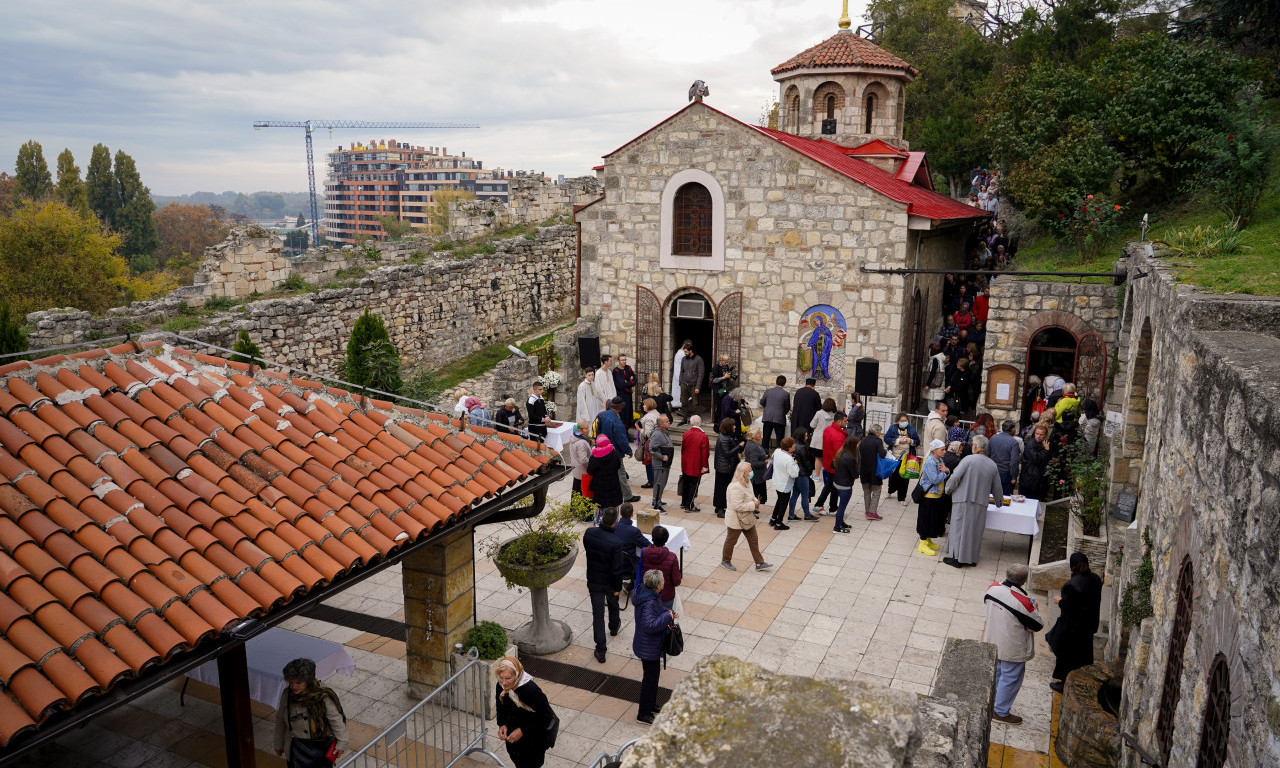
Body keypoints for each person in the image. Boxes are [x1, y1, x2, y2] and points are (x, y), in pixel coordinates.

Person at [983, 564, 1044, 725]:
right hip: (1012, 646)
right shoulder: (1024, 602)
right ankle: (1000, 712)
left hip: (993, 639)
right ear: (1024, 580)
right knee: (1010, 677)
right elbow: (1037, 625)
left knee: (997, 673)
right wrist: (1035, 608)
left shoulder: (992, 588)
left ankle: (990, 702)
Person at [943, 435, 1004, 568]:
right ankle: (971, 558)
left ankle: (957, 559)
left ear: (975, 446)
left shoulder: (968, 460)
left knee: (959, 529)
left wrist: (948, 489)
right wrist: (1000, 501)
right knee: (975, 531)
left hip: (962, 499)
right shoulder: (992, 464)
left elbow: (955, 477)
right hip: (980, 502)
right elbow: (997, 487)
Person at [274, 657, 348, 768]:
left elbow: (335, 720)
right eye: (291, 682)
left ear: (307, 681)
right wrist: (279, 743)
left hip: (319, 749)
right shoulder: (287, 694)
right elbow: (280, 719)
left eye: (298, 683)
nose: (293, 686)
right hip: (295, 749)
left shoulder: (323, 696)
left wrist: (342, 743)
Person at [1048, 553, 1104, 693]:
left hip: (1073, 627)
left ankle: (1064, 683)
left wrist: (1059, 601)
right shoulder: (1096, 579)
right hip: (1088, 625)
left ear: (1072, 567)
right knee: (1082, 655)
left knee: (1067, 656)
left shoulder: (1072, 585)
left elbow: (1070, 607)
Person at [583, 506, 628, 663]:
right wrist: (617, 588)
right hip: (609, 582)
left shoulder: (589, 533)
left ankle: (600, 649)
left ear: (602, 518)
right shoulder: (616, 542)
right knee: (613, 603)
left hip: (594, 580)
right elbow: (616, 569)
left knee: (598, 614)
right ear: (615, 521)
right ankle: (614, 627)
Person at [633, 569, 678, 724]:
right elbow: (649, 625)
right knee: (649, 680)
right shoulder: (650, 602)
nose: (664, 582)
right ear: (658, 585)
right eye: (663, 581)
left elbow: (656, 613)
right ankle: (643, 714)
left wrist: (668, 612)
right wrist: (667, 616)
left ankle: (651, 705)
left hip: (649, 645)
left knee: (653, 678)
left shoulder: (648, 595)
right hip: (649, 648)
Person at [494, 656, 557, 768]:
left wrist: (523, 730)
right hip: (513, 738)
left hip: (533, 739)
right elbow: (500, 705)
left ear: (517, 674)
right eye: (501, 677)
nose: (504, 682)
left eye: (508, 678)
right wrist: (502, 724)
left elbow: (546, 716)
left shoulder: (530, 690)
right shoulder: (501, 686)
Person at [721, 462, 772, 571]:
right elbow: (737, 506)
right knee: (731, 541)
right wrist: (753, 505)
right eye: (749, 470)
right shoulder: (736, 487)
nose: (751, 472)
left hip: (747, 518)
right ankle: (725, 561)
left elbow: (751, 495)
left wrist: (755, 501)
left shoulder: (748, 482)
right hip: (736, 519)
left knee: (753, 540)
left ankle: (759, 563)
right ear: (743, 473)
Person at [597, 397, 638, 502]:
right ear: (620, 408)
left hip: (602, 449)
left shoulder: (601, 415)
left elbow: (595, 428)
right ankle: (628, 496)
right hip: (614, 452)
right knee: (621, 473)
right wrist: (629, 451)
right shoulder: (617, 423)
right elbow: (621, 440)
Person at [916, 440, 949, 556]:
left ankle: (928, 540)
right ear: (935, 450)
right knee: (925, 519)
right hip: (928, 495)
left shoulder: (939, 459)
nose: (945, 451)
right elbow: (934, 479)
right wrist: (945, 472)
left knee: (931, 519)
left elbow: (944, 470)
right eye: (942, 449)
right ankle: (922, 544)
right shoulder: (930, 461)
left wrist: (946, 470)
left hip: (936, 495)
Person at [883, 412, 919, 504]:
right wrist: (897, 441)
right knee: (893, 476)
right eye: (902, 421)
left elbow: (917, 441)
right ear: (898, 421)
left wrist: (910, 441)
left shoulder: (911, 430)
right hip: (894, 457)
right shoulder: (893, 428)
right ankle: (890, 491)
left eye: (905, 420)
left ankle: (902, 498)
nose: (904, 422)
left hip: (907, 458)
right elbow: (886, 439)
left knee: (904, 478)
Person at [641, 526, 682, 609]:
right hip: (666, 596)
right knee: (666, 619)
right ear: (666, 539)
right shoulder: (672, 557)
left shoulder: (645, 553)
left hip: (649, 595)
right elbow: (676, 581)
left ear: (652, 538)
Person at [816, 408, 848, 515]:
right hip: (835, 465)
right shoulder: (839, 436)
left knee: (830, 485)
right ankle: (831, 508)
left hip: (828, 462)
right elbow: (839, 454)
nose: (846, 422)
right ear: (839, 422)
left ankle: (822, 505)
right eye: (845, 421)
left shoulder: (828, 429)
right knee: (833, 486)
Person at [712, 417, 744, 518]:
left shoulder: (725, 436)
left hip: (722, 466)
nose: (735, 427)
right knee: (723, 489)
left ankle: (718, 506)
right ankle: (720, 509)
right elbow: (727, 453)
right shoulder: (724, 438)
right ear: (728, 427)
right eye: (733, 425)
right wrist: (739, 446)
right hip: (725, 468)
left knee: (720, 488)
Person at [787, 426, 819, 522]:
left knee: (795, 494)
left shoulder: (792, 445)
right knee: (805, 495)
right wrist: (810, 471)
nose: (807, 438)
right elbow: (807, 462)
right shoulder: (802, 448)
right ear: (801, 436)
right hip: (802, 474)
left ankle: (791, 514)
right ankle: (807, 515)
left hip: (795, 474)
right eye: (805, 436)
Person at [768, 436, 800, 530]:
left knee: (779, 500)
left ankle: (773, 519)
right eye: (793, 446)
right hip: (785, 484)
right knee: (783, 503)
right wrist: (795, 464)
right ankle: (779, 523)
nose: (795, 447)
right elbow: (794, 474)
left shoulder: (777, 451)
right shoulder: (789, 459)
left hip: (777, 481)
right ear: (789, 447)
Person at [679, 414, 709, 512]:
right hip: (696, 465)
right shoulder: (703, 436)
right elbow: (705, 453)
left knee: (686, 483)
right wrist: (704, 466)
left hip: (686, 463)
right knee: (694, 485)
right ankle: (690, 505)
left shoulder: (686, 433)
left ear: (691, 423)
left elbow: (683, 449)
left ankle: (684, 502)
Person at [858, 424, 887, 521]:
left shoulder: (863, 439)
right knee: (876, 491)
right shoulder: (878, 441)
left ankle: (867, 511)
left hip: (864, 470)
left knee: (866, 492)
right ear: (877, 432)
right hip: (875, 470)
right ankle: (872, 512)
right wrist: (885, 450)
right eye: (880, 432)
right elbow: (882, 454)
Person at [831, 434, 859, 533]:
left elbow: (833, 464)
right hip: (845, 486)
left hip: (837, 483)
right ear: (852, 445)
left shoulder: (840, 452)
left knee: (841, 506)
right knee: (842, 507)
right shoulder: (850, 458)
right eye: (857, 444)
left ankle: (841, 522)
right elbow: (855, 474)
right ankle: (837, 528)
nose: (858, 446)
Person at [586, 436, 623, 510]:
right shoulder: (614, 454)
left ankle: (602, 520)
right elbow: (618, 466)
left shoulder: (594, 458)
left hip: (599, 488)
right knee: (613, 508)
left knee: (601, 508)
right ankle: (614, 520)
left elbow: (590, 471)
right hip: (613, 486)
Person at [988, 420, 1022, 497]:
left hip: (993, 471)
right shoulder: (1014, 442)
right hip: (1005, 474)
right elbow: (1014, 462)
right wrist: (1014, 477)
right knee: (1005, 498)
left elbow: (988, 454)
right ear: (1013, 430)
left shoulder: (993, 438)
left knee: (991, 496)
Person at [648, 415, 675, 510]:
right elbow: (651, 449)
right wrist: (662, 457)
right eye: (667, 421)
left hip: (665, 465)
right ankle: (656, 504)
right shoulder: (658, 434)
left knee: (662, 484)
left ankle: (657, 499)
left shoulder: (664, 432)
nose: (669, 422)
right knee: (659, 484)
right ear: (660, 424)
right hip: (660, 465)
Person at [759, 375, 791, 450]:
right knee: (780, 439)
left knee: (766, 437)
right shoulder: (786, 394)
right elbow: (787, 408)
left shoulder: (768, 391)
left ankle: (765, 453)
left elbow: (762, 402)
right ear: (784, 384)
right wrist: (782, 412)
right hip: (779, 418)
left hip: (768, 416)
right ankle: (778, 454)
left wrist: (767, 408)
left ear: (776, 382)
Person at [1020, 424, 1051, 500]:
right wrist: (1046, 450)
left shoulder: (1044, 443)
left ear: (1045, 435)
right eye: (1037, 434)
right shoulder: (1031, 444)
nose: (1038, 436)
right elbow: (1037, 459)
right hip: (1030, 479)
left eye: (1041, 434)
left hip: (1037, 479)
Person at [677, 345, 705, 424]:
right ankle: (684, 419)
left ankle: (696, 421)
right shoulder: (683, 359)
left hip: (694, 385)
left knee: (695, 403)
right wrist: (680, 381)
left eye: (686, 352)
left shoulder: (699, 359)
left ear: (691, 351)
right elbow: (681, 371)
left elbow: (701, 374)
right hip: (684, 383)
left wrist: (698, 386)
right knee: (684, 402)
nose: (684, 353)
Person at [791, 378, 822, 447]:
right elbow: (819, 408)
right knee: (805, 438)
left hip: (797, 418)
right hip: (808, 419)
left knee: (796, 436)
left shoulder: (798, 391)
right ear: (813, 386)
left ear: (806, 384)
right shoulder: (815, 393)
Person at [637, 397, 660, 488]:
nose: (643, 406)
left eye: (644, 404)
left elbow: (647, 433)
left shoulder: (649, 418)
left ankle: (651, 481)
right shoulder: (656, 413)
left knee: (649, 462)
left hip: (650, 443)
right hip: (657, 441)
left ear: (648, 406)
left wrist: (639, 429)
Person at [743, 427, 768, 505]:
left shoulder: (752, 443)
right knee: (755, 493)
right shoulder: (753, 446)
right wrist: (764, 462)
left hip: (756, 475)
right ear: (753, 436)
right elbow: (753, 463)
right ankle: (753, 508)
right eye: (759, 433)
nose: (761, 434)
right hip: (756, 476)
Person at [710, 353, 737, 424]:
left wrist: (730, 378)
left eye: (727, 361)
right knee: (719, 407)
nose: (727, 363)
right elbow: (714, 380)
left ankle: (722, 422)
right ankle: (716, 422)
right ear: (721, 360)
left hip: (725, 390)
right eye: (725, 361)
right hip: (718, 391)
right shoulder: (716, 368)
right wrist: (724, 377)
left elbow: (726, 377)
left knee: (724, 406)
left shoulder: (726, 367)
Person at [568, 420, 593, 498]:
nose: (588, 430)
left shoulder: (574, 437)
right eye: (585, 428)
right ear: (580, 430)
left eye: (588, 428)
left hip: (577, 470)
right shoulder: (581, 443)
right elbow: (583, 460)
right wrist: (592, 464)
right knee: (583, 495)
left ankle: (574, 510)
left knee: (576, 493)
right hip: (582, 472)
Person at [613, 354, 637, 428]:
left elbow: (635, 380)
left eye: (625, 360)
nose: (624, 361)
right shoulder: (616, 371)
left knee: (629, 412)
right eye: (622, 360)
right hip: (621, 395)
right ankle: (624, 430)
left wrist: (628, 382)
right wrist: (629, 381)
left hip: (628, 394)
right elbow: (621, 384)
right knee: (623, 413)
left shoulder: (628, 368)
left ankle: (628, 428)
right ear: (618, 361)